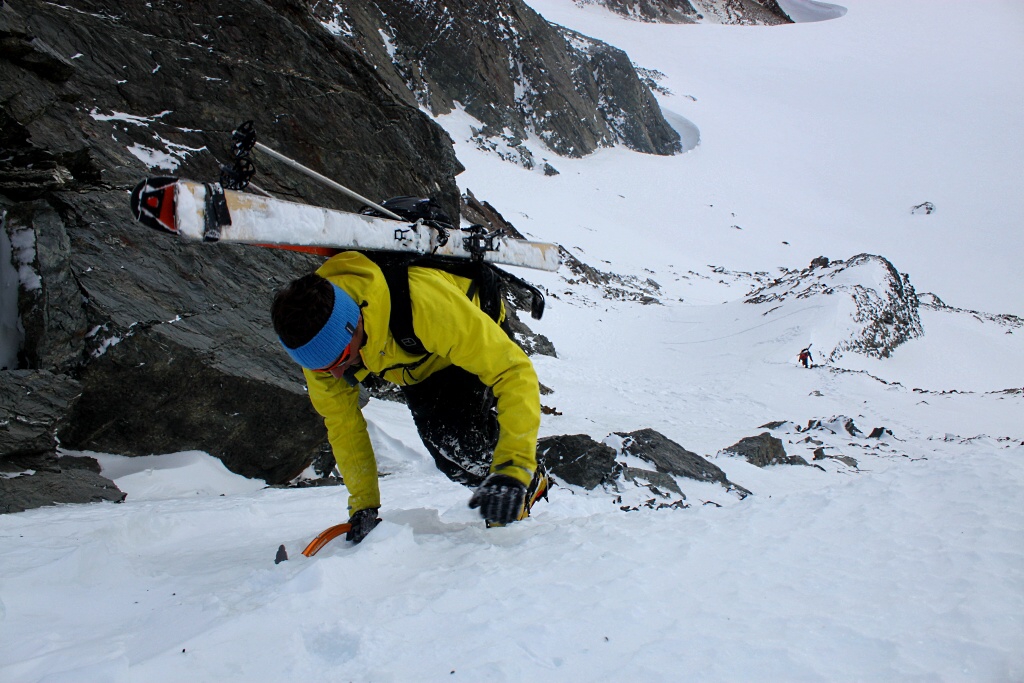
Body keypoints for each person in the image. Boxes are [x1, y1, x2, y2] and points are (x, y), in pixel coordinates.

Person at [271, 251, 547, 543]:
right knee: (449, 458)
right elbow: (343, 423)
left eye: (341, 360)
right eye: (322, 369)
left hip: (469, 333)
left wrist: (513, 466)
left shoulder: (422, 303)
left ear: (355, 322)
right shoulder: (321, 348)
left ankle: (520, 483)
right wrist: (363, 506)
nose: (336, 375)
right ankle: (503, 480)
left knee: (464, 443)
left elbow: (514, 372)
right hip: (414, 362)